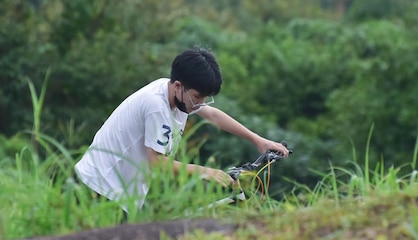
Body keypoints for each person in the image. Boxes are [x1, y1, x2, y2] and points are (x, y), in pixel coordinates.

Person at [74, 47, 289, 214]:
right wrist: (207, 172)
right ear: (178, 85)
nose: (200, 103)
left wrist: (257, 140)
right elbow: (157, 163)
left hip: (120, 191)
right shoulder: (156, 106)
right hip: (99, 187)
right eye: (197, 97)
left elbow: (213, 115)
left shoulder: (175, 94)